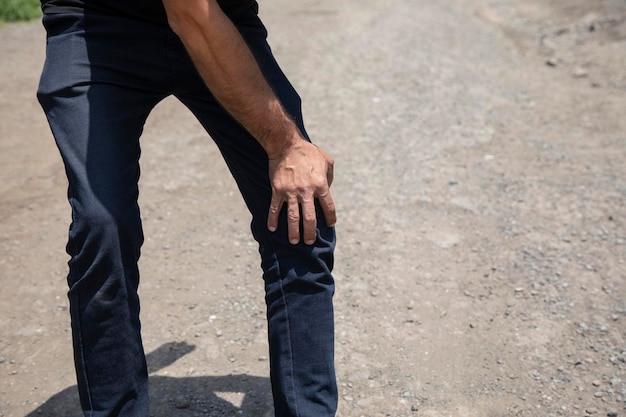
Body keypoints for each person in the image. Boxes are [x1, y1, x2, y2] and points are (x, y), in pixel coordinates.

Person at [36, 0, 338, 416]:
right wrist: (285, 144)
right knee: (102, 226)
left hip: (221, 15)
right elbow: (190, 13)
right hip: (97, 27)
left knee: (301, 209)